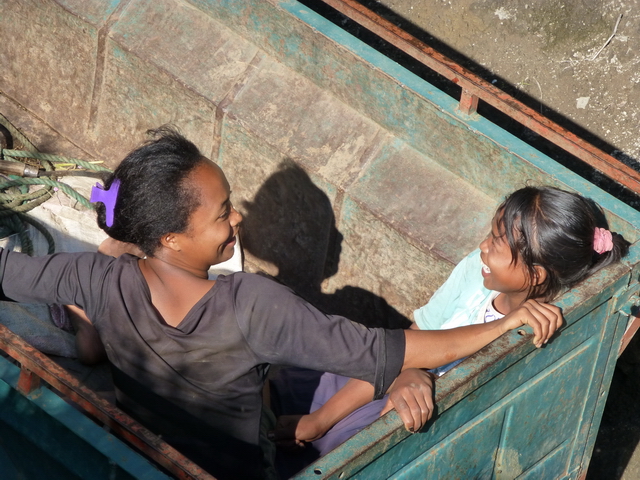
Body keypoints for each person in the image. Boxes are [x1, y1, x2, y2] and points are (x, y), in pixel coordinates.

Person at [0, 127, 561, 479]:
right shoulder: (252, 304)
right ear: (170, 237)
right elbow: (388, 349)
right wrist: (501, 327)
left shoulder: (96, 279)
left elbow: (7, 272)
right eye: (222, 214)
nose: (237, 219)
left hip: (155, 450)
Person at [272, 185, 630, 462]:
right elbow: (409, 341)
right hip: (395, 375)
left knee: (335, 449)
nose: (482, 247)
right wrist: (408, 373)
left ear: (535, 275)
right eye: (490, 234)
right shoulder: (476, 272)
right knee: (297, 378)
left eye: (496, 242)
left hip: (420, 415)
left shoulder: (540, 332)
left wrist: (411, 376)